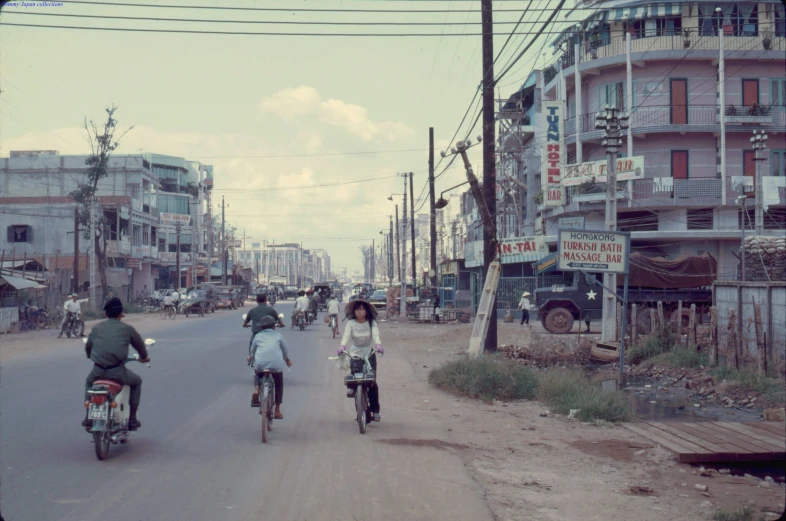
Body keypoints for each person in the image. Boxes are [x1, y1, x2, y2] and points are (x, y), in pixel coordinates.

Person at [82, 297, 150, 431]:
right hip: (117, 372)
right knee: (137, 382)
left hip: (97, 371)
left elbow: (88, 347)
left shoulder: (96, 328)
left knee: (89, 383)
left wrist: (90, 356)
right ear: (121, 313)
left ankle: (88, 418)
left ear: (106, 313)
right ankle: (132, 420)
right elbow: (140, 346)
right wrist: (144, 358)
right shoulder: (127, 329)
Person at [338, 299, 384, 422]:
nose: (360, 311)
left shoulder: (371, 322)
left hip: (369, 352)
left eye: (362, 309)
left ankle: (375, 411)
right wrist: (342, 346)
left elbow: (375, 334)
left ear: (366, 311)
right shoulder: (351, 323)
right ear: (354, 311)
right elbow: (346, 335)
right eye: (358, 309)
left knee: (372, 381)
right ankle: (354, 392)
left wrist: (378, 345)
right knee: (355, 377)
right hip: (355, 352)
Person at [247, 315, 292, 418]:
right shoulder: (278, 336)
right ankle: (277, 410)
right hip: (276, 365)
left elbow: (252, 351)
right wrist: (287, 360)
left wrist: (251, 358)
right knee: (279, 383)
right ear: (274, 326)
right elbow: (284, 352)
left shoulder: (257, 336)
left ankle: (257, 390)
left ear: (261, 327)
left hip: (261, 364)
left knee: (258, 373)